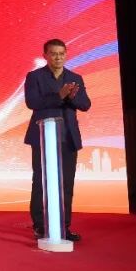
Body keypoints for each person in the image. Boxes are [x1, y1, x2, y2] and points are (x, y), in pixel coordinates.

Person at [25, 38, 90, 242]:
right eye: (53, 54)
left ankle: (63, 226)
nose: (58, 57)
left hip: (67, 137)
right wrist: (59, 96)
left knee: (66, 183)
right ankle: (40, 225)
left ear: (66, 55)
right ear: (45, 55)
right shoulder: (35, 77)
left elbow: (86, 104)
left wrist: (71, 97)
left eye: (61, 54)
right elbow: (32, 102)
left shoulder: (75, 78)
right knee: (41, 181)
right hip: (43, 137)